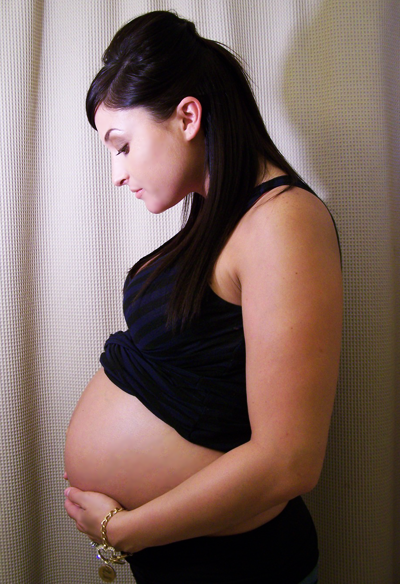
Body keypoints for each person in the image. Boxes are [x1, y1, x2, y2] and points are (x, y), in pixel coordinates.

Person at [64, 10, 342, 584]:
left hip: (241, 568)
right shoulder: (220, 221)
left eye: (122, 145)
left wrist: (123, 530)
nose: (117, 174)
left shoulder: (283, 221)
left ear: (187, 116)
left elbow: (289, 462)